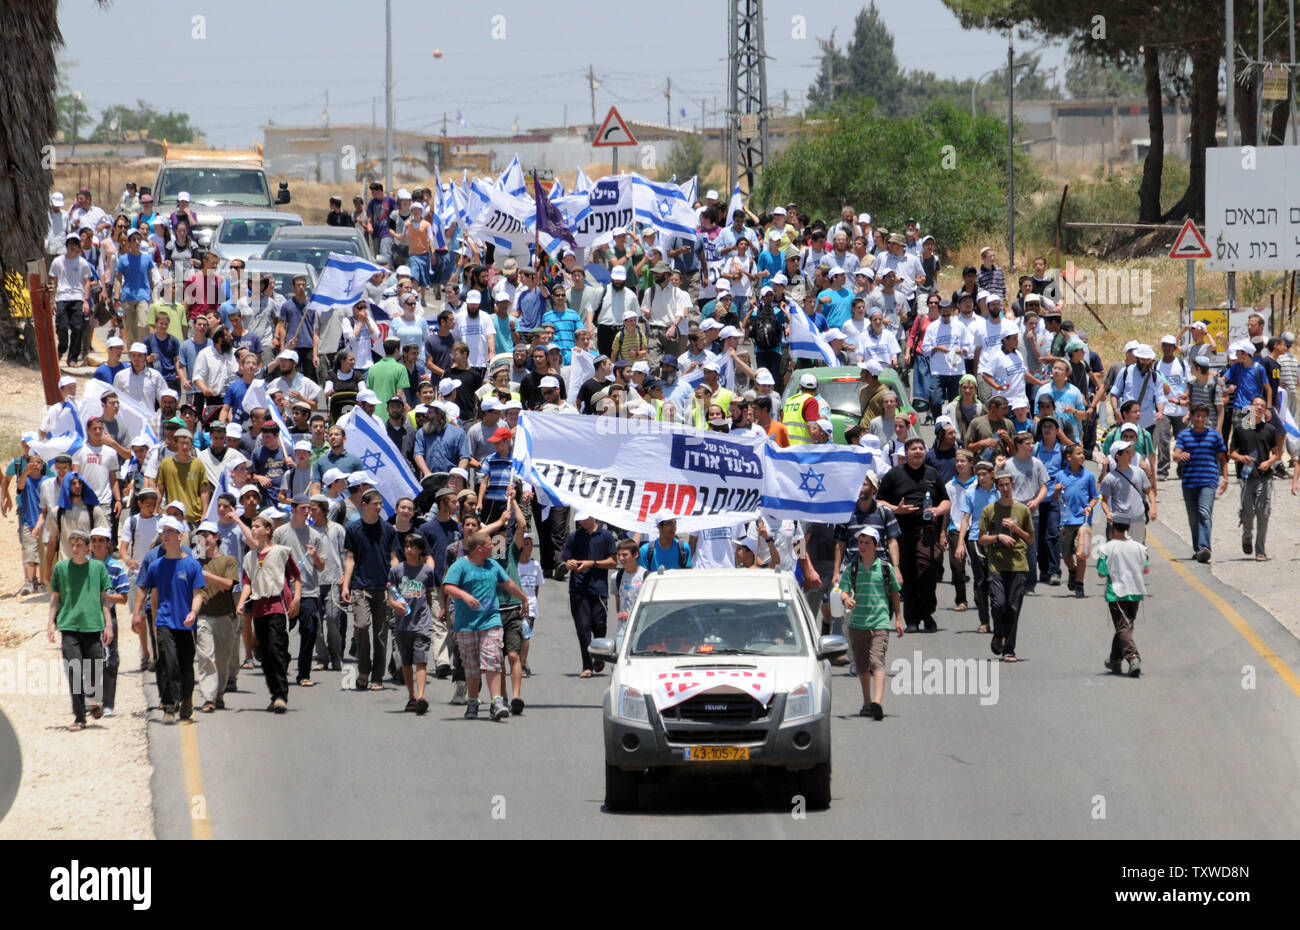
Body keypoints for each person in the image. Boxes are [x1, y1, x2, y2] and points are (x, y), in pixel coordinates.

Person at [442, 530, 529, 721]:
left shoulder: (493, 565)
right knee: (472, 668)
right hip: (466, 625)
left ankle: (496, 702)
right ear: (479, 548)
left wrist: (523, 598)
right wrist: (464, 595)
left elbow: (508, 583)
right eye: (490, 544)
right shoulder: (461, 565)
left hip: (491, 621)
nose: (495, 546)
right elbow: (447, 586)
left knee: (493, 660)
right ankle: (472, 702)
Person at [876, 437, 949, 633]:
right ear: (906, 453)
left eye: (921, 448)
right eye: (914, 449)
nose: (918, 451)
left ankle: (927, 611)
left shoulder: (932, 474)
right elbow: (879, 500)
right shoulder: (895, 474)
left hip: (927, 530)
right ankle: (912, 619)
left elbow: (946, 501)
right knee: (907, 574)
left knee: (927, 570)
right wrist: (895, 509)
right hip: (901, 531)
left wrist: (937, 510)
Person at [139, 516, 206, 722]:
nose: (165, 535)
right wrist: (141, 615)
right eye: (163, 531)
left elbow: (198, 594)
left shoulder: (192, 565)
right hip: (164, 621)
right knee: (168, 663)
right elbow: (150, 592)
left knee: (185, 665)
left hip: (186, 624)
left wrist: (193, 612)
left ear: (180, 536)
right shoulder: (156, 566)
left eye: (170, 531)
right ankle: (169, 707)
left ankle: (186, 699)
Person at [47, 528, 113, 731]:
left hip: (92, 625)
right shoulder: (60, 568)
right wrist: (50, 623)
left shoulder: (98, 568)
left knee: (94, 669)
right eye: (72, 544)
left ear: (88, 547)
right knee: (74, 670)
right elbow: (55, 598)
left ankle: (93, 699)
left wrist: (108, 624)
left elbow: (104, 598)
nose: (74, 548)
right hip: (68, 625)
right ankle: (79, 717)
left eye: (79, 545)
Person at [235, 514, 300, 713]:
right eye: (252, 526)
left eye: (257, 526)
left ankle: (281, 695)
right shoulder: (249, 557)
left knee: (274, 649)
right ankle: (274, 695)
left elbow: (296, 576)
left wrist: (296, 597)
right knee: (265, 655)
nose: (253, 530)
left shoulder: (281, 552)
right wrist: (240, 603)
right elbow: (247, 582)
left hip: (277, 606)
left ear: (268, 530)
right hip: (258, 609)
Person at [837, 526, 903, 720]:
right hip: (857, 623)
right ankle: (867, 702)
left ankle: (877, 702)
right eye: (860, 542)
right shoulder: (853, 567)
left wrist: (898, 619)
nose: (863, 546)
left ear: (875, 545)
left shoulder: (884, 567)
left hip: (880, 621)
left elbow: (894, 593)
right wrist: (845, 599)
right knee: (862, 666)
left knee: (877, 662)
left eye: (867, 542)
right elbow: (843, 590)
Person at [341, 488, 399, 691]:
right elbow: (350, 559)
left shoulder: (388, 530)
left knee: (381, 634)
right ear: (364, 505)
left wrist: (397, 585)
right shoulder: (354, 529)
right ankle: (363, 669)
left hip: (383, 588)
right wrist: (346, 585)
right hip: (360, 587)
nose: (379, 507)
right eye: (376, 503)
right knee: (362, 626)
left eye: (381, 503)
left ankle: (377, 676)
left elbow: (393, 559)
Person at [977, 468, 1033, 662]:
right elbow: (982, 538)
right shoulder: (989, 510)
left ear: (1012, 485)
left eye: (1007, 484)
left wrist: (1016, 529)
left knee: (1013, 607)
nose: (1005, 488)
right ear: (997, 487)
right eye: (1001, 485)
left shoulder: (1022, 510)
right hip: (997, 564)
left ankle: (1009, 648)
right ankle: (999, 632)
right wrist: (998, 536)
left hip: (1018, 563)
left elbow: (1031, 539)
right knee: (999, 603)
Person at [273, 496, 327, 686]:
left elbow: (321, 567)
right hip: (284, 591)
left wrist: (315, 556)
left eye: (310, 509)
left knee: (310, 630)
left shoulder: (315, 535)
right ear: (293, 510)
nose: (307, 512)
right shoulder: (280, 533)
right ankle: (283, 662)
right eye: (304, 508)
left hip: (309, 591)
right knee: (280, 633)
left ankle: (304, 673)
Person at [560, 511, 618, 678]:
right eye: (580, 521)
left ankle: (599, 656)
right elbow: (566, 558)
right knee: (583, 627)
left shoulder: (606, 535)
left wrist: (592, 564)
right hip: (578, 588)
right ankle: (587, 665)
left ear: (592, 516)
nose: (582, 523)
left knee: (599, 624)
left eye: (585, 520)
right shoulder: (574, 536)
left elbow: (613, 562)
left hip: (598, 588)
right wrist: (569, 564)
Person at [1172, 402, 1229, 563]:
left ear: (1207, 418)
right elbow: (1175, 454)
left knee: (1204, 512)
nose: (1200, 419)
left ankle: (1205, 548)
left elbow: (1223, 459)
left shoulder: (1213, 436)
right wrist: (1179, 456)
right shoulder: (1184, 435)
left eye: (1203, 416)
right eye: (1197, 416)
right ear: (1192, 417)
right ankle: (1198, 549)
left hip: (1208, 480)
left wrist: (1225, 478)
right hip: (1189, 481)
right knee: (1193, 517)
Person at [388, 533, 438, 715]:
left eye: (414, 547)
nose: (409, 550)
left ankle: (421, 696)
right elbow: (390, 596)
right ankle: (411, 696)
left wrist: (431, 613)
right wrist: (395, 605)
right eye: (407, 546)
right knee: (407, 663)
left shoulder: (427, 571)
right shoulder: (396, 571)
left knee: (421, 661)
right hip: (403, 624)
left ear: (420, 550)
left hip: (422, 623)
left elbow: (429, 595)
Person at [193, 521, 239, 713]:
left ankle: (219, 693)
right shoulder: (195, 562)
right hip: (203, 616)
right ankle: (209, 697)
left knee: (222, 659)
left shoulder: (228, 561)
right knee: (205, 657)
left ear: (216, 537)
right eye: (200, 536)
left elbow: (228, 584)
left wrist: (206, 575)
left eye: (207, 535)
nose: (204, 539)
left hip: (224, 617)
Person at [1230, 394, 1282, 562]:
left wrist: (1268, 462)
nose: (1259, 408)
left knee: (1263, 513)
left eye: (1262, 405)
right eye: (1256, 405)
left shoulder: (1270, 430)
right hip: (1246, 476)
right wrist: (1241, 458)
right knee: (1247, 512)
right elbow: (1231, 452)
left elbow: (1277, 454)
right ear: (1250, 408)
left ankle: (1260, 550)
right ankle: (1247, 534)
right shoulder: (1240, 428)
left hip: (1265, 476)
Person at [1095, 521, 1149, 678]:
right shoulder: (1139, 547)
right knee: (1125, 626)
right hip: (1135, 592)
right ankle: (1115, 658)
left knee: (1122, 627)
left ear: (1113, 528)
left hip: (1117, 593)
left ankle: (1133, 657)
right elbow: (1145, 569)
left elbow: (1101, 573)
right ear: (1128, 528)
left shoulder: (1107, 548)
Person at [1098, 440, 1155, 544]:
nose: (1130, 454)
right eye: (1126, 452)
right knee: (1122, 554)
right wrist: (1108, 513)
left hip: (1139, 520)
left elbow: (1149, 491)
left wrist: (1153, 508)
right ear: (1118, 456)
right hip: (1120, 522)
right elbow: (1104, 501)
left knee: (1139, 553)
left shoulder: (1139, 472)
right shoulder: (1110, 478)